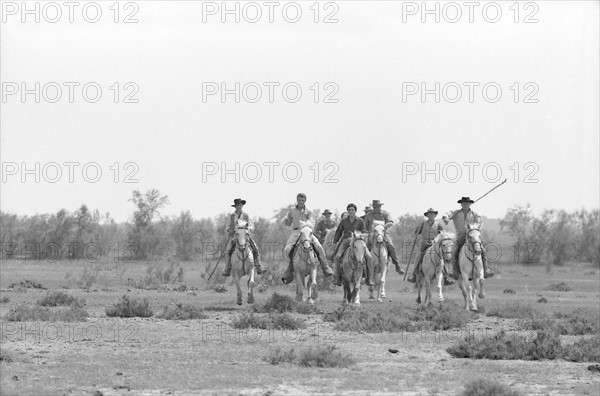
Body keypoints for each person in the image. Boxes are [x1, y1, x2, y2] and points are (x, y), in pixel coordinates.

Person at [281, 193, 335, 284]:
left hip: (306, 231)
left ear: (305, 201)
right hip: (296, 232)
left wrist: (306, 226)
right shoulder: (292, 210)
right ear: (297, 200)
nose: (301, 202)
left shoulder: (308, 211)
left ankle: (326, 267)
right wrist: (286, 221)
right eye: (299, 200)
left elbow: (312, 222)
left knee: (319, 246)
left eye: (302, 200)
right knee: (287, 248)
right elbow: (289, 221)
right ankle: (289, 270)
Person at [442, 197, 495, 279]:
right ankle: (455, 270)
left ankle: (486, 269)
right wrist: (445, 217)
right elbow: (447, 214)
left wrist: (474, 231)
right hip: (460, 236)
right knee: (454, 250)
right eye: (463, 203)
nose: (465, 205)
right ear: (461, 204)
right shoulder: (456, 213)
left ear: (470, 204)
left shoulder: (475, 214)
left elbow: (480, 224)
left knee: (483, 250)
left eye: (467, 203)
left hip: (473, 236)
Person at [330, 203, 374, 287]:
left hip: (357, 241)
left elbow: (364, 231)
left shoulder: (360, 221)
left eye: (352, 210)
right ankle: (337, 278)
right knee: (337, 257)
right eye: (349, 210)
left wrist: (362, 236)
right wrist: (335, 241)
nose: (350, 211)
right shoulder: (344, 221)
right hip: (346, 240)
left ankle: (369, 278)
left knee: (369, 257)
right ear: (347, 211)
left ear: (355, 211)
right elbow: (339, 231)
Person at [407, 208, 453, 284]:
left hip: (434, 244)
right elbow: (416, 233)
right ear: (427, 215)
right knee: (417, 256)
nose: (431, 215)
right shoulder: (422, 224)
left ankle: (446, 277)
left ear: (435, 215)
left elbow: (442, 233)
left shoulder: (438, 224)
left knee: (442, 257)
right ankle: (414, 275)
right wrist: (417, 232)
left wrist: (435, 240)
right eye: (430, 214)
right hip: (424, 244)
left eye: (433, 214)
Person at [221, 198, 266, 277]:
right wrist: (229, 230)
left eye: (241, 205)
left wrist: (248, 229)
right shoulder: (231, 216)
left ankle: (259, 266)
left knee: (255, 248)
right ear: (235, 207)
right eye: (238, 205)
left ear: (242, 206)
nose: (239, 206)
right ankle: (227, 268)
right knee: (227, 251)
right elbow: (227, 226)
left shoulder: (246, 215)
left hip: (245, 235)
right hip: (234, 236)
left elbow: (252, 225)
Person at [364, 200, 404, 274]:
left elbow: (391, 222)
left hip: (383, 234)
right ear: (373, 207)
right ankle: (364, 268)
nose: (376, 208)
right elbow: (365, 226)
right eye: (375, 206)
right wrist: (367, 232)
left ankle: (397, 265)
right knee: (364, 247)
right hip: (372, 234)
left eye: (378, 206)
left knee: (391, 246)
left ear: (380, 206)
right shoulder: (369, 215)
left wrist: (382, 228)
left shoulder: (385, 213)